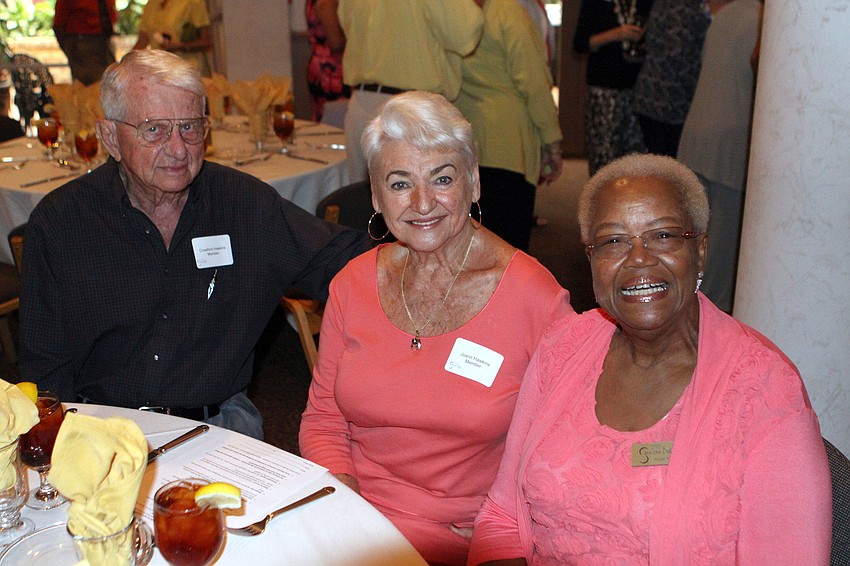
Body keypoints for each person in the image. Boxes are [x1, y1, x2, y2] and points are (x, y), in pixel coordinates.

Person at [468, 153, 832, 565]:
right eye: (614, 241)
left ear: (700, 252)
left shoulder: (765, 390)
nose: (639, 258)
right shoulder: (564, 346)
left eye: (662, 236)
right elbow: (502, 519)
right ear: (592, 261)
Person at [19, 50, 370, 440]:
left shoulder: (243, 205)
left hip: (218, 425)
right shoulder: (62, 222)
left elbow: (345, 261)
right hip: (103, 427)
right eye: (154, 129)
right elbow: (45, 367)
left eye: (190, 127)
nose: (178, 148)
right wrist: (69, 448)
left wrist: (432, 245)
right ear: (110, 137)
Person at [299, 91, 572, 566]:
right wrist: (343, 505)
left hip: (468, 532)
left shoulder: (534, 298)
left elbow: (564, 443)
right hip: (355, 511)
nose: (423, 203)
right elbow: (324, 420)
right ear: (376, 196)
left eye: (442, 178)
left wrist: (502, 527)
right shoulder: (353, 284)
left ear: (474, 183)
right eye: (400, 183)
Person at [454, 0, 563, 253]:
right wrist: (552, 141)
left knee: (472, 246)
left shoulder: (456, 12)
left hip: (465, 139)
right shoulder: (508, 12)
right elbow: (533, 81)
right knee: (509, 247)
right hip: (508, 143)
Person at [337, 0, 484, 182]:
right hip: (415, 113)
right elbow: (467, 35)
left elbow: (347, 24)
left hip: (361, 102)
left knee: (363, 201)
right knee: (422, 200)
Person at [677, 0, 762, 313]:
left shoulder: (727, 16)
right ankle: (709, 345)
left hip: (698, 138)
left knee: (694, 250)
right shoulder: (763, 22)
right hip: (731, 147)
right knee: (721, 265)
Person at [573, 0, 654, 175]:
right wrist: (616, 34)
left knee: (637, 164)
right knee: (604, 162)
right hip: (603, 92)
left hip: (638, 92)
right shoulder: (595, 3)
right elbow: (580, 44)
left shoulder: (647, 3)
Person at [632, 0, 711, 156]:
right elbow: (677, 57)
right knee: (669, 170)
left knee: (659, 164)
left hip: (652, 96)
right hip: (669, 102)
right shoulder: (684, 7)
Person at [132, 0, 213, 75]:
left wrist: (180, 46)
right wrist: (126, 62)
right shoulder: (151, 4)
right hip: (159, 71)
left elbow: (206, 41)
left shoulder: (192, 2)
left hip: (185, 71)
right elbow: (142, 42)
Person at [53, 0, 118, 86]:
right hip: (83, 43)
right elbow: (59, 23)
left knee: (110, 83)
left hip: (104, 41)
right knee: (91, 87)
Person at [306, 0, 350, 123]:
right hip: (331, 71)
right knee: (334, 119)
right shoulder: (327, 2)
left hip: (322, 67)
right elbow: (335, 42)